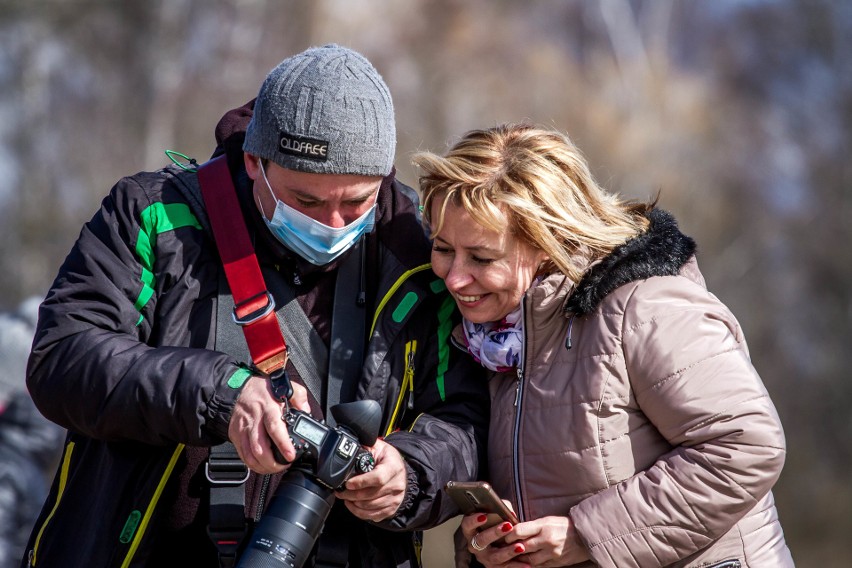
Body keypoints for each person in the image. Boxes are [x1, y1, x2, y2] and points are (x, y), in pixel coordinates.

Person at [22, 44, 488, 568]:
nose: (333, 224)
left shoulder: (420, 254)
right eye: (305, 201)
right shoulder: (152, 215)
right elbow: (63, 358)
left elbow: (465, 417)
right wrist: (222, 394)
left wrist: (411, 473)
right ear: (253, 162)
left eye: (356, 202)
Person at [413, 123, 794, 568]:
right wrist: (489, 547)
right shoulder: (491, 338)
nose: (455, 277)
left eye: (481, 258)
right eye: (442, 249)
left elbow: (747, 446)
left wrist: (586, 535)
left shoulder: (645, 306)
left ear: (546, 240)